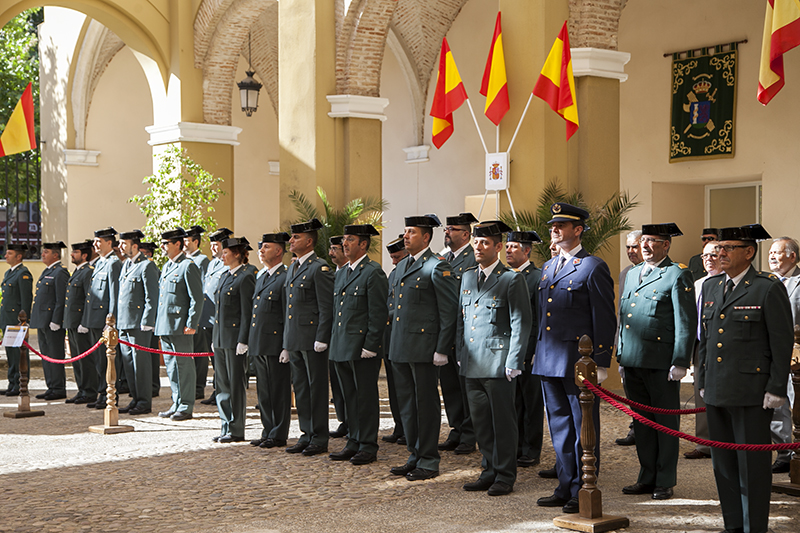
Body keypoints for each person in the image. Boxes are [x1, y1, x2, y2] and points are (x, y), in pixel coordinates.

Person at [698, 224, 793, 533]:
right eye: (717, 248)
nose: (719, 253)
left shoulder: (766, 287)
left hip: (752, 392)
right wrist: (703, 379)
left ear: (749, 252)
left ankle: (755, 528)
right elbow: (707, 339)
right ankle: (733, 525)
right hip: (716, 390)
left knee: (752, 468)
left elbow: (780, 342)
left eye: (727, 248)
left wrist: (777, 387)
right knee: (723, 466)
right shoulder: (712, 286)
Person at [534, 203, 616, 514]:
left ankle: (584, 486)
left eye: (562, 225)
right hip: (548, 359)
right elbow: (543, 317)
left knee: (583, 426)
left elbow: (605, 318)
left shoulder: (591, 266)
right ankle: (564, 484)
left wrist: (602, 361)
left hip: (577, 361)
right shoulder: (548, 267)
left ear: (578, 230)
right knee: (559, 428)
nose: (554, 229)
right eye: (553, 225)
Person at [617, 223, 696, 501]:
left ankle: (665, 480)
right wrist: (621, 353)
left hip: (662, 363)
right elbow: (625, 316)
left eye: (653, 242)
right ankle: (646, 476)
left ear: (667, 245)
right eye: (644, 241)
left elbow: (685, 322)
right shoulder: (633, 274)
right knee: (642, 423)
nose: (646, 247)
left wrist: (680, 361)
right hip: (633, 361)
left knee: (665, 424)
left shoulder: (676, 274)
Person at [458, 221, 532, 496]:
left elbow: (521, 323)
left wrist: (514, 360)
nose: (478, 247)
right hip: (472, 363)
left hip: (499, 364)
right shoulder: (467, 277)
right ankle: (488, 469)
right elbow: (461, 321)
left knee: (502, 422)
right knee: (481, 422)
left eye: (485, 243)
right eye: (476, 242)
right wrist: (459, 353)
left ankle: (505, 474)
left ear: (498, 247)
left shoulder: (511, 279)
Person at [388, 214, 458, 481]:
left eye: (411, 232)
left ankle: (429, 459)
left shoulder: (436, 267)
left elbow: (448, 311)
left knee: (425, 404)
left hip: (425, 348)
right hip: (400, 347)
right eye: (405, 232)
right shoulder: (402, 266)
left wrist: (442, 348)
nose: (405, 236)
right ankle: (414, 454)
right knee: (407, 405)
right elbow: (393, 307)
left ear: (426, 237)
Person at [328, 224, 389, 465]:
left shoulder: (372, 272)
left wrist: (371, 344)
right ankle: (353, 439)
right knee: (348, 397)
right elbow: (337, 312)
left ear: (363, 244)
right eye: (344, 240)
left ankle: (367, 444)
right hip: (342, 345)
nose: (345, 244)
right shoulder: (343, 272)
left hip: (362, 347)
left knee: (364, 397)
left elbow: (377, 312)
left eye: (350, 240)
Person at [281, 218, 334, 457]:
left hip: (313, 339)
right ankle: (306, 433)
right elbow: (289, 309)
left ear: (309, 241)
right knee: (301, 389)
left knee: (316, 388)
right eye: (291, 237)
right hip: (296, 339)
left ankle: (319, 436)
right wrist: (286, 343)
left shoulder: (319, 267)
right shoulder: (293, 267)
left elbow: (326, 306)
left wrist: (322, 337)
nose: (291, 241)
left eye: (296, 237)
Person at [438, 212, 478, 455]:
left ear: (465, 234)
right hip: (445, 331)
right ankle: (456, 428)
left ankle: (470, 433)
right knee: (450, 385)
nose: (447, 232)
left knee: (466, 387)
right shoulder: (443, 259)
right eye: (446, 228)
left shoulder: (472, 258)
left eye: (452, 229)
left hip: (463, 332)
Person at [154, 227, 204, 421]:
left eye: (166, 243)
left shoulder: (188, 266)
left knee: (183, 366)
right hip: (166, 324)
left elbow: (196, 298)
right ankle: (176, 402)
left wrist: (191, 323)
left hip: (180, 325)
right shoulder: (167, 266)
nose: (163, 247)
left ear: (177, 244)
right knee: (171, 367)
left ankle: (186, 405)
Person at [505, 229, 543, 468]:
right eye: (507, 247)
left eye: (514, 247)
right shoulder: (506, 276)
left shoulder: (536, 277)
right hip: (509, 348)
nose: (508, 251)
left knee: (531, 402)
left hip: (529, 349)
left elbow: (540, 318)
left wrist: (537, 349)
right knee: (513, 401)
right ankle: (515, 445)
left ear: (527, 251)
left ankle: (531, 448)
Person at [248, 233, 291, 449]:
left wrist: (286, 346)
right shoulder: (262, 276)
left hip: (275, 344)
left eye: (266, 247)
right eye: (261, 247)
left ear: (279, 251)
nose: (261, 251)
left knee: (278, 391)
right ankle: (267, 430)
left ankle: (279, 433)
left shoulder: (284, 277)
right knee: (264, 391)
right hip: (260, 342)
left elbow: (285, 314)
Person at [212, 236, 256, 443]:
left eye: (226, 251)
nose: (222, 255)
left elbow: (247, 312)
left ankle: (237, 428)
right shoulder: (224, 276)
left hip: (235, 340)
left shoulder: (246, 276)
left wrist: (243, 339)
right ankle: (225, 425)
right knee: (221, 385)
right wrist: (215, 338)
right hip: (221, 339)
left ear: (237, 253)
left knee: (236, 385)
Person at [684, 240, 722, 460]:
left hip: (721, 345)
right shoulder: (697, 283)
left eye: (713, 255)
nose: (708, 259)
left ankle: (724, 442)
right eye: (705, 256)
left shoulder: (727, 282)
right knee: (700, 393)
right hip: (699, 345)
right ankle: (704, 443)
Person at [116, 230, 160, 416]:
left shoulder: (146, 266)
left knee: (140, 364)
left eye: (123, 244)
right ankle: (135, 398)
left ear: (135, 246)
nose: (120, 247)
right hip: (124, 323)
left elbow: (152, 297)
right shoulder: (126, 265)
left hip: (138, 324)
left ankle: (144, 401)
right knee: (128, 364)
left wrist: (148, 321)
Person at [767, 236, 800, 474]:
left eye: (777, 252)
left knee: (798, 405)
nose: (771, 256)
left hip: (798, 357)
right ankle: (785, 453)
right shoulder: (766, 282)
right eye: (770, 252)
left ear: (792, 256)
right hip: (772, 355)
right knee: (778, 405)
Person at [84, 227, 122, 409]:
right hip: (94, 318)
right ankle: (101, 392)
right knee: (97, 361)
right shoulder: (99, 263)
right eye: (95, 241)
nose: (95, 244)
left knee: (105, 360)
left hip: (104, 321)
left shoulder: (114, 263)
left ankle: (108, 394)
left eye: (99, 241)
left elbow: (114, 294)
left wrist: (111, 321)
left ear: (109, 243)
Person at [199, 227, 233, 406]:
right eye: (211, 244)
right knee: (214, 358)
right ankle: (217, 389)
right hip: (208, 317)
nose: (213, 248)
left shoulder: (227, 263)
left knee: (222, 359)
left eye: (216, 244)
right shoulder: (212, 264)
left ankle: (225, 389)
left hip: (220, 318)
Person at [31, 242, 69, 401]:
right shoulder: (48, 271)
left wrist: (56, 320)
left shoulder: (60, 272)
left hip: (52, 322)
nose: (43, 254)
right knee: (46, 355)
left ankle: (59, 388)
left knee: (54, 354)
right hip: (42, 321)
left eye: (46, 252)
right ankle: (51, 386)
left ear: (55, 255)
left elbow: (61, 299)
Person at [616, 229, 643, 447]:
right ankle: (636, 427)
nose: (631, 251)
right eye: (628, 247)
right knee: (631, 392)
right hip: (628, 345)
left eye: (635, 246)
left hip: (650, 347)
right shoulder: (626, 273)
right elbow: (621, 312)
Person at [64, 241, 98, 404]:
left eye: (75, 252)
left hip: (80, 324)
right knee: (77, 359)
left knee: (85, 360)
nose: (72, 255)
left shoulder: (87, 272)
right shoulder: (77, 272)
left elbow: (88, 299)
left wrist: (84, 322)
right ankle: (81, 389)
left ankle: (90, 391)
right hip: (72, 322)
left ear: (84, 255)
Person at [382, 235, 407, 444]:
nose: (394, 262)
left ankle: (409, 428)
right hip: (390, 336)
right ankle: (399, 425)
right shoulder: (393, 273)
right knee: (393, 385)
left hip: (403, 334)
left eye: (397, 256)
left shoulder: (408, 270)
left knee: (406, 387)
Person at [1, 243, 33, 396]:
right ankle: (12, 383)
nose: (5, 256)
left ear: (19, 256)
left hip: (16, 321)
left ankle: (21, 382)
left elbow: (26, 299)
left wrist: (23, 322)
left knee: (18, 353)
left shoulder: (23, 274)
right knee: (10, 353)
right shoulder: (9, 273)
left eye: (9, 253)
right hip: (7, 319)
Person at [326, 235, 349, 439]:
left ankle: (352, 422)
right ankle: (343, 419)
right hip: (334, 336)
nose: (331, 253)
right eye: (331, 248)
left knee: (349, 386)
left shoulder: (351, 272)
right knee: (337, 383)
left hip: (347, 337)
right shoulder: (335, 273)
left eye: (336, 249)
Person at [185, 225, 211, 401]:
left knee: (199, 351)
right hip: (185, 312)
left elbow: (200, 288)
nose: (184, 243)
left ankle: (199, 386)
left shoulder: (201, 260)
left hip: (199, 313)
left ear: (196, 241)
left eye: (187, 240)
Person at [139, 241, 162, 397]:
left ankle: (153, 386)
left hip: (150, 318)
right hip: (145, 318)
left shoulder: (150, 267)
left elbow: (152, 296)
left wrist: (149, 320)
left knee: (151, 353)